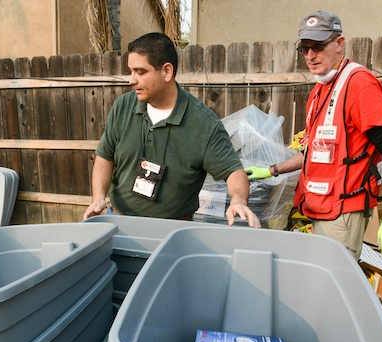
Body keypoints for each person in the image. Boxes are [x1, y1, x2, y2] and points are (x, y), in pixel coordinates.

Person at [245, 11, 382, 258]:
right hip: (322, 207)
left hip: (344, 211)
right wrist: (272, 170)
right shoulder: (320, 90)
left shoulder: (359, 84)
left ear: (339, 44)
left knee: (329, 288)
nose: (310, 56)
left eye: (317, 47)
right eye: (305, 49)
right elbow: (315, 151)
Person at [83, 32, 259, 227]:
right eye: (130, 71)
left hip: (172, 231)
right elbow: (104, 156)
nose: (131, 80)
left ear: (166, 71)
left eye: (140, 72)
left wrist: (238, 201)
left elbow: (234, 172)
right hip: (120, 222)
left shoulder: (203, 123)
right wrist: (98, 197)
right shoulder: (123, 106)